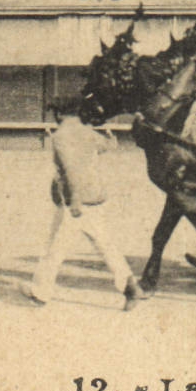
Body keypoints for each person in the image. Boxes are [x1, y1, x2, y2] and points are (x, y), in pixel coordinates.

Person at [23, 97, 142, 308]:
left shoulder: (60, 136)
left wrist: (75, 200)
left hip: (75, 201)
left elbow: (71, 170)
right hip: (95, 196)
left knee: (54, 249)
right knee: (104, 244)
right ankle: (129, 285)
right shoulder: (88, 132)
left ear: (59, 115)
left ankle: (40, 293)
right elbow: (108, 145)